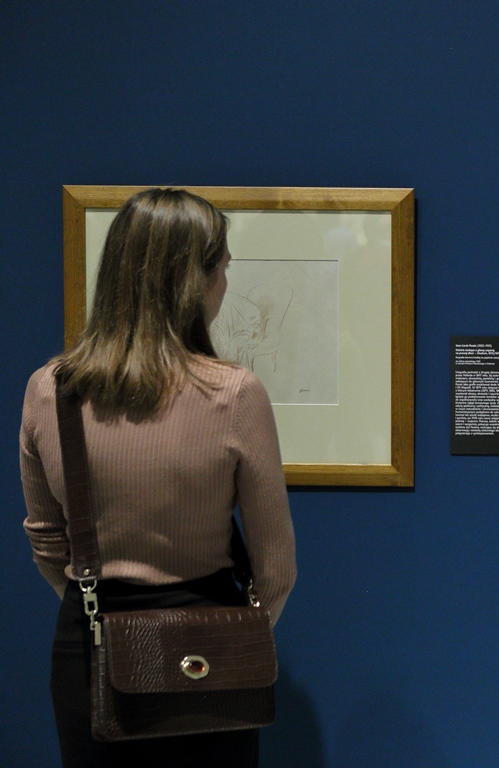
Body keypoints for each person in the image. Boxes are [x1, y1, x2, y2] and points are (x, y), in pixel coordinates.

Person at [19, 188, 296, 768]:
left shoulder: (52, 389)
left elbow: (48, 542)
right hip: (210, 643)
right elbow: (276, 572)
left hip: (89, 639)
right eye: (221, 268)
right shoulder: (234, 393)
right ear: (192, 279)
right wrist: (222, 637)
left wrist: (102, 607)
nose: (224, 285)